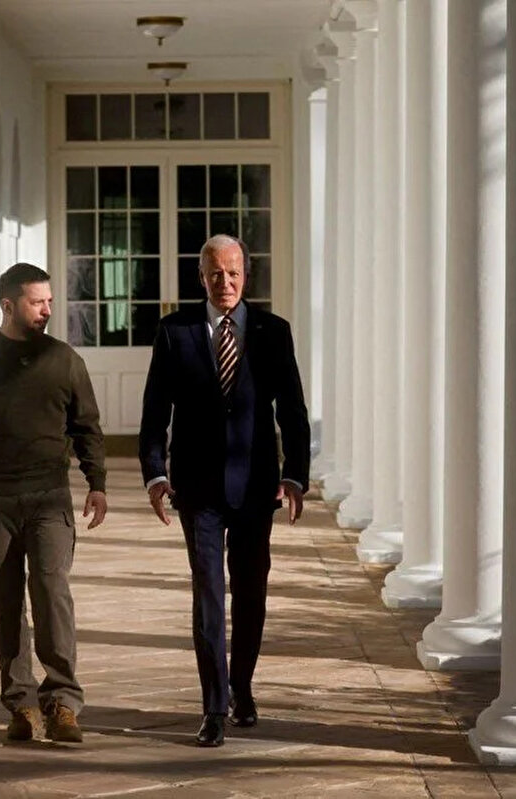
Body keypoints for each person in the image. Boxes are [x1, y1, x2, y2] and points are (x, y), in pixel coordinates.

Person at [138, 234, 310, 747]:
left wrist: (294, 475)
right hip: (198, 490)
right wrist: (155, 474)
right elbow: (154, 411)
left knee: (251, 594)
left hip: (257, 489)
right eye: (215, 273)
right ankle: (213, 707)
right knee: (209, 596)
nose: (225, 282)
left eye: (233, 272)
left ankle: (243, 688)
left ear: (246, 275)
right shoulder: (175, 332)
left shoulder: (273, 332)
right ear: (202, 277)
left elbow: (292, 411)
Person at [0, 262, 107, 744]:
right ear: (8, 305)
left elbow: (86, 426)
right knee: (6, 602)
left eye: (50, 301)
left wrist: (96, 482)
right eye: (37, 302)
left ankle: (63, 702)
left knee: (52, 594)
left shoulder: (64, 360)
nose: (47, 310)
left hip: (50, 496)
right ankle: (22, 705)